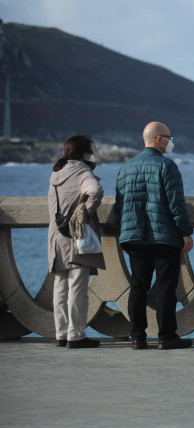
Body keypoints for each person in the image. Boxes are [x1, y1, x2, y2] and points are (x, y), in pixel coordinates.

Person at [114, 122, 194, 350]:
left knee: (138, 286)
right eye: (169, 137)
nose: (171, 141)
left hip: (134, 236)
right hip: (163, 237)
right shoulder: (167, 166)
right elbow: (176, 204)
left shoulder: (125, 169)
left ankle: (137, 337)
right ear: (159, 139)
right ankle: (166, 336)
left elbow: (120, 208)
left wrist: (123, 235)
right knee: (166, 286)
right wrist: (186, 232)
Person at [47, 135, 105, 348]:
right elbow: (95, 191)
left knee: (60, 286)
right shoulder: (82, 172)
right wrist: (85, 212)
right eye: (90, 150)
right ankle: (76, 335)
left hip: (57, 237)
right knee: (77, 287)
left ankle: (61, 333)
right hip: (77, 235)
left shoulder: (56, 174)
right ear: (84, 153)